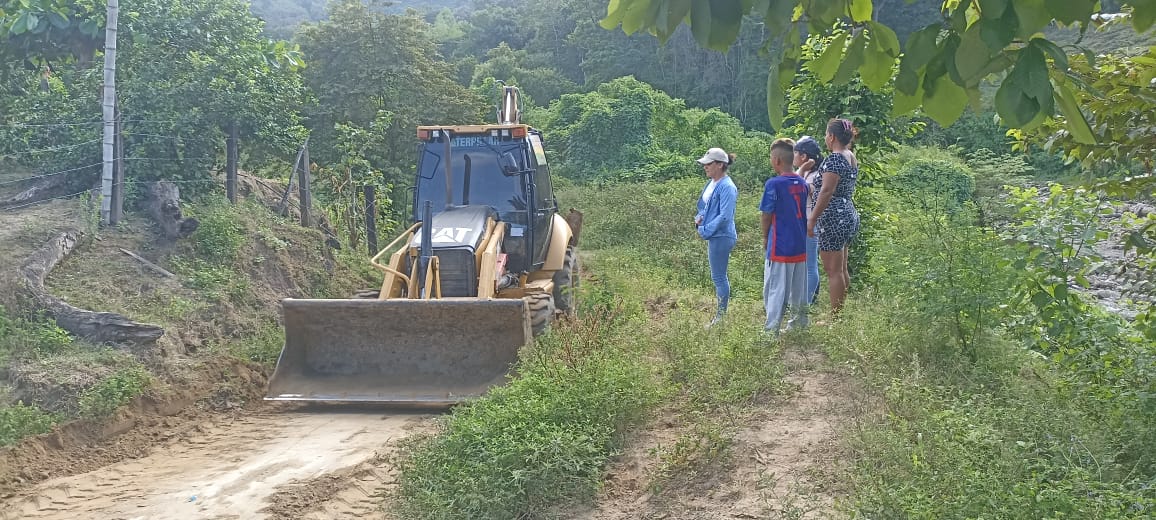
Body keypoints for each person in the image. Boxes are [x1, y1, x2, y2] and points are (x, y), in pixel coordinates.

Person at [808, 118, 860, 315]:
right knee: (841, 268)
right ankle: (839, 313)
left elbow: (827, 191)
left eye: (826, 134)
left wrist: (812, 218)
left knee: (833, 270)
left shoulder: (835, 159)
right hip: (846, 213)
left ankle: (835, 317)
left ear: (831, 136)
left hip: (833, 218)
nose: (825, 138)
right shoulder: (850, 155)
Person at [760, 138, 810, 334]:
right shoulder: (802, 183)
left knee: (775, 288)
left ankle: (771, 330)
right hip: (799, 243)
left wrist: (765, 237)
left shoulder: (774, 184)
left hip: (780, 245)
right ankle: (799, 325)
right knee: (798, 289)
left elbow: (766, 214)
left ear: (777, 160)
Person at [695, 147, 738, 328]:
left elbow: (725, 216)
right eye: (704, 164)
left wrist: (706, 229)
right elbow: (705, 207)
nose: (705, 167)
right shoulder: (711, 183)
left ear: (720, 165)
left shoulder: (727, 187)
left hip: (721, 235)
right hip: (715, 234)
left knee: (719, 277)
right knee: (718, 276)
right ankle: (720, 316)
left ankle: (720, 318)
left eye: (709, 164)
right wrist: (699, 218)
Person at [793, 136, 824, 305]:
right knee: (805, 264)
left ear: (803, 156)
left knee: (810, 265)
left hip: (810, 223)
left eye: (795, 153)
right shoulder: (808, 174)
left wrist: (802, 169)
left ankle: (807, 303)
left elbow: (795, 187)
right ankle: (802, 301)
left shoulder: (814, 176)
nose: (793, 157)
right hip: (803, 223)